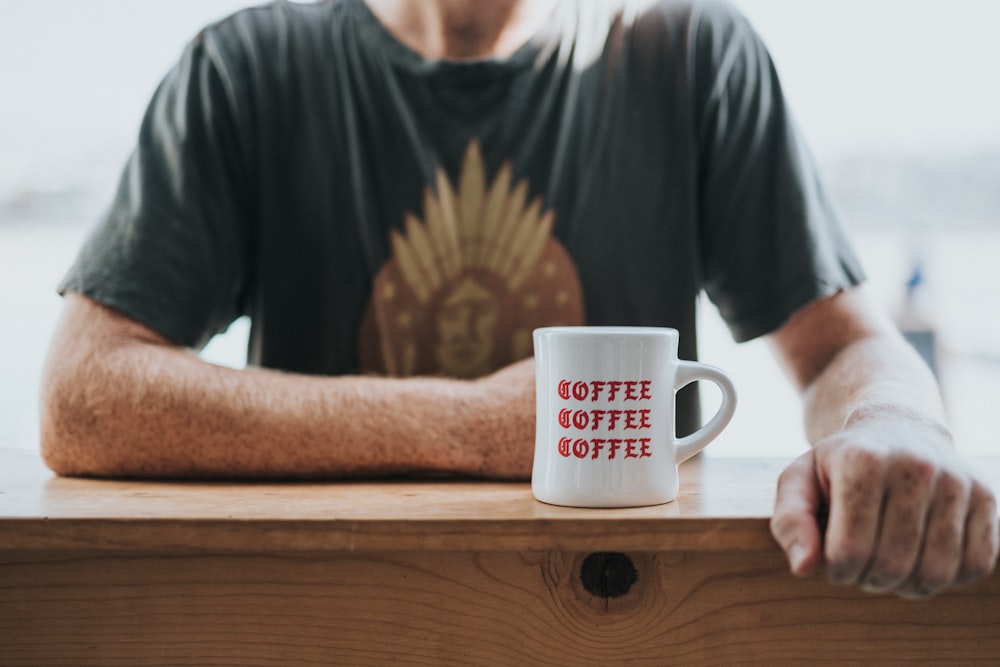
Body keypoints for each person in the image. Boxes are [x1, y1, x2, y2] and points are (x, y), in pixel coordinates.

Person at [40, 0, 996, 599]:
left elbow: (839, 348)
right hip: (329, 616)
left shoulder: (697, 56)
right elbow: (83, 396)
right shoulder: (243, 73)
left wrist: (898, 422)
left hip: (636, 619)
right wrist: (472, 424)